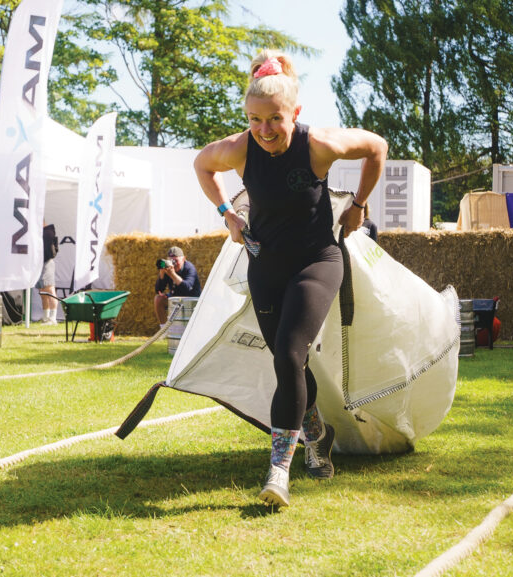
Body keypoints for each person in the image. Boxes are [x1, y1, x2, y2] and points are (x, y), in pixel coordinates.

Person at [194, 49, 387, 507]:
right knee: (289, 362)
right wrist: (227, 214)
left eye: (274, 119)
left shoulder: (318, 144)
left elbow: (376, 147)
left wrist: (358, 205)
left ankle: (278, 470)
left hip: (317, 261)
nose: (264, 130)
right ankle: (316, 433)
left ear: (294, 113)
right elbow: (202, 165)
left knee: (288, 350)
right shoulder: (240, 148)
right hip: (266, 265)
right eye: (254, 119)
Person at [153, 246, 202, 326]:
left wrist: (172, 275)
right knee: (158, 299)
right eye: (171, 261)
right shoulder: (168, 269)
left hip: (191, 299)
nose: (173, 264)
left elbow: (188, 288)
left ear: (184, 259)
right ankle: (164, 331)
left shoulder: (189, 268)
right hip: (175, 298)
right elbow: (158, 290)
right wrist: (162, 274)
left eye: (176, 261)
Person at [37, 222, 59, 325]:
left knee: (50, 289)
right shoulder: (38, 232)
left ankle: (53, 318)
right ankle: (46, 317)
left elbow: (48, 250)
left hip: (47, 263)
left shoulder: (48, 232)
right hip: (39, 264)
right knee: (42, 291)